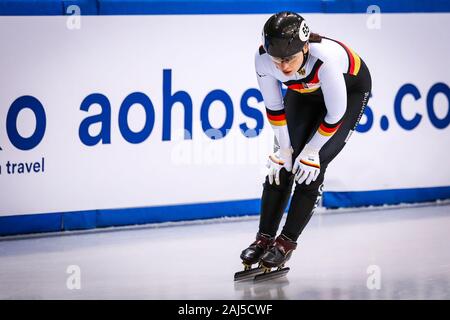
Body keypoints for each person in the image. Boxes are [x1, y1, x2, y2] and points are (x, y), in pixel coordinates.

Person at [240, 11, 372, 271]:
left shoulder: (324, 59)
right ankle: (264, 238)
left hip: (349, 92)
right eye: (277, 60)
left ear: (306, 46)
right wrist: (285, 149)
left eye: (289, 59)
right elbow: (274, 107)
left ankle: (286, 243)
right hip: (305, 93)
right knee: (280, 166)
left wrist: (311, 150)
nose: (284, 67)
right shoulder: (262, 59)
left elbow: (335, 114)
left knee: (312, 167)